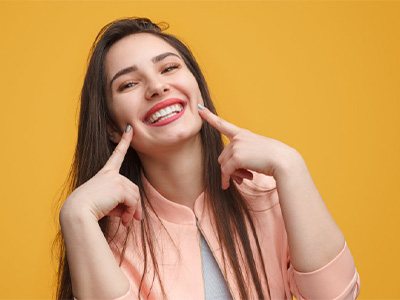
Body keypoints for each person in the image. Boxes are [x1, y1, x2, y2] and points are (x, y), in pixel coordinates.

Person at [54, 17, 360, 299]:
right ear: (111, 127)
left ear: (197, 87)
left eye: (169, 68)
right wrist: (76, 217)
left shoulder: (269, 192)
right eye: (129, 84)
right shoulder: (107, 236)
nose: (157, 87)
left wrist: (291, 165)